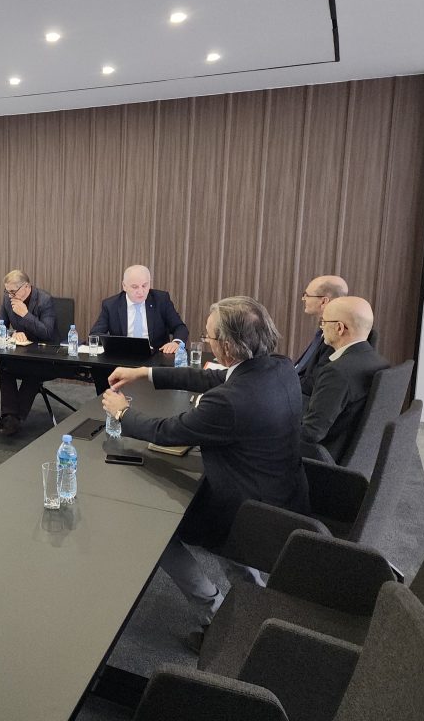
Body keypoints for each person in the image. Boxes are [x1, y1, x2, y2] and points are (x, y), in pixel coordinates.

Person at [102, 296, 307, 627]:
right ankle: (254, 594)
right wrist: (144, 372)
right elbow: (210, 379)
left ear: (225, 346)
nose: (205, 340)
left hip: (247, 511)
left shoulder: (229, 403)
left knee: (157, 525)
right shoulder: (280, 366)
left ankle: (212, 611)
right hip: (283, 494)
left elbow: (168, 431)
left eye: (208, 336)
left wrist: (122, 412)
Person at [301, 296, 390, 462]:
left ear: (339, 328)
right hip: (354, 457)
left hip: (322, 462)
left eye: (324, 322)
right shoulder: (379, 362)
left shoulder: (337, 372)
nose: (322, 327)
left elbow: (311, 433)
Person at [90, 264, 189, 393]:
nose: (141, 291)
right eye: (135, 287)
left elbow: (180, 327)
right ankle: (106, 403)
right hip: (122, 359)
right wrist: (115, 344)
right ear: (124, 286)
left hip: (155, 359)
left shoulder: (161, 299)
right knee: (98, 368)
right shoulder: (111, 304)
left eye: (145, 285)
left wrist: (176, 342)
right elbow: (95, 334)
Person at [0, 270, 57, 435]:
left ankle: (14, 419)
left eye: (13, 291)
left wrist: (25, 314)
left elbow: (48, 333)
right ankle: (11, 416)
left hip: (45, 354)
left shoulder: (44, 300)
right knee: (4, 366)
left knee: (32, 371)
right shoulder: (8, 300)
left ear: (26, 287)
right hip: (22, 352)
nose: (10, 295)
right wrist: (12, 334)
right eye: (7, 291)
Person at [294, 275, 348, 399]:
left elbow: (314, 383)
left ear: (324, 301)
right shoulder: (325, 327)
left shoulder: (337, 336)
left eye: (307, 295)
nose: (304, 299)